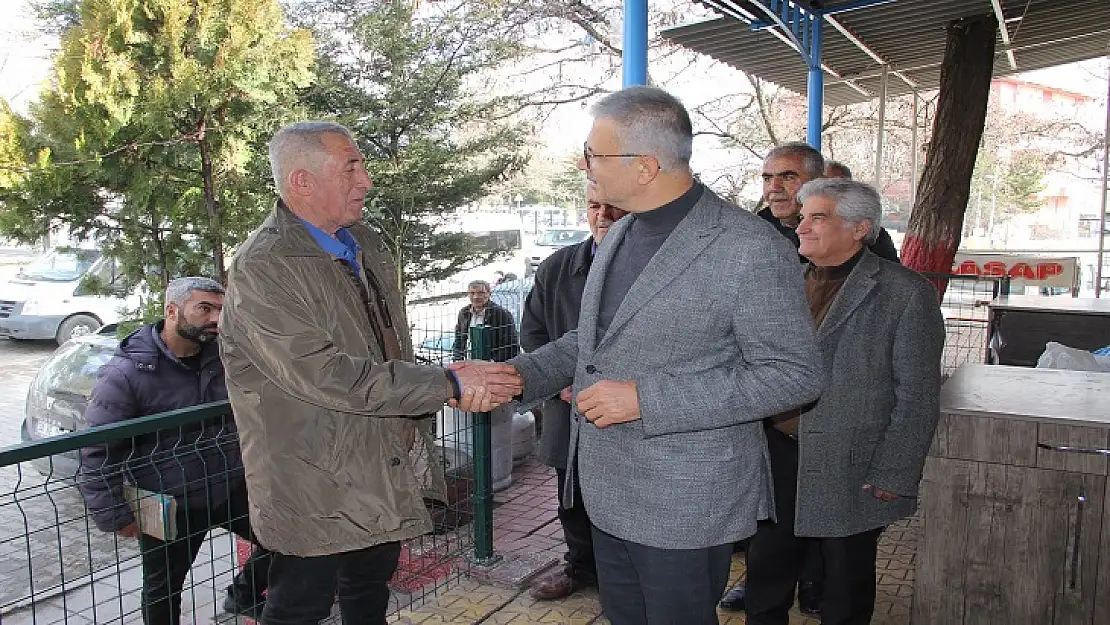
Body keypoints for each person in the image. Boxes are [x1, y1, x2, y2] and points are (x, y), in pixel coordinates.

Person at [458, 86, 824, 625]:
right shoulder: (623, 230)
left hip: (684, 501)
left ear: (646, 165)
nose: (585, 166)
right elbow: (593, 340)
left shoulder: (747, 246)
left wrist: (648, 399)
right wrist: (515, 376)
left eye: (593, 154)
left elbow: (794, 375)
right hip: (606, 492)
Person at [219, 120, 522, 625]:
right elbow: (323, 373)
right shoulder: (264, 266)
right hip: (313, 479)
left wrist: (443, 379)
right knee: (299, 605)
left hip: (379, 461)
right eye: (351, 168)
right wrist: (445, 384)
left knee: (369, 591)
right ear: (301, 181)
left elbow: (386, 347)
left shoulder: (362, 241)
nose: (366, 182)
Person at [743, 179, 944, 625]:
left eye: (818, 217)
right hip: (775, 452)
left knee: (844, 581)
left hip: (851, 461)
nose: (801, 226)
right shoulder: (784, 281)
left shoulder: (904, 293)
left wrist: (895, 470)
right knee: (767, 570)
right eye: (802, 216)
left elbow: (918, 394)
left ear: (859, 228)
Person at [78, 277, 270, 623]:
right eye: (205, 308)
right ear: (172, 310)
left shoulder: (223, 358)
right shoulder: (127, 374)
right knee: (163, 590)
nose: (216, 319)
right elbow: (98, 450)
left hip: (228, 486)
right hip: (170, 501)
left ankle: (243, 594)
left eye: (221, 310)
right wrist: (114, 514)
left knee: (284, 542)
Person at [520, 190, 627, 600]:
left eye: (613, 205)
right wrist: (559, 382)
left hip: (628, 411)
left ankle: (622, 574)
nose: (605, 214)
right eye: (595, 206)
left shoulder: (651, 266)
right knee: (571, 493)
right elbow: (533, 332)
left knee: (623, 495)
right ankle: (580, 568)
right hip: (569, 408)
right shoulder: (557, 267)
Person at [758, 142, 900, 263]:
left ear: (819, 182)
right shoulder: (756, 228)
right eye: (767, 179)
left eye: (788, 177)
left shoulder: (859, 232)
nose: (774, 188)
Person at [452, 279, 520, 363]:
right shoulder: (464, 313)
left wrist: (493, 362)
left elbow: (511, 345)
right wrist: (458, 359)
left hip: (492, 364)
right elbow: (459, 339)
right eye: (472, 293)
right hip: (467, 363)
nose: (476, 297)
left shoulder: (501, 314)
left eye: (480, 293)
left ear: (489, 294)